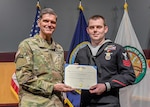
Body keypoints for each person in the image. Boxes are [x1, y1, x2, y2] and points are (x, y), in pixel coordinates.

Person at [15, 8, 74, 107]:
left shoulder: (58, 49)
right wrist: (53, 87)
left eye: (53, 22)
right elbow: (24, 78)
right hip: (34, 103)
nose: (49, 24)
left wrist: (73, 72)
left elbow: (61, 76)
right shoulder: (27, 45)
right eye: (46, 21)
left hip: (56, 103)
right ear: (39, 23)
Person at [74, 15, 136, 107]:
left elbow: (130, 76)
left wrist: (107, 86)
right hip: (86, 103)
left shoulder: (117, 50)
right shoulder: (81, 52)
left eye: (99, 27)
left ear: (105, 29)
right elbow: (76, 76)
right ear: (87, 30)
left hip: (109, 103)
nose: (95, 30)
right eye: (92, 27)